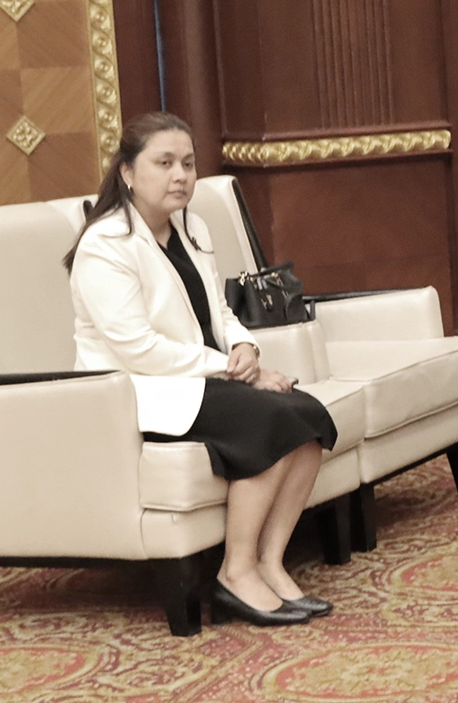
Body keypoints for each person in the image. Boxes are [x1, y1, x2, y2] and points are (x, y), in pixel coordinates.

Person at [64, 112, 338, 627]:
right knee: (267, 422)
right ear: (127, 172)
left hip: (194, 380)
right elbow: (138, 349)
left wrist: (244, 346)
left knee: (309, 416)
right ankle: (235, 573)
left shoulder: (192, 227)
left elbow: (219, 311)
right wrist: (232, 371)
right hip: (140, 392)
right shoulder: (105, 245)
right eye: (164, 163)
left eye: (188, 164)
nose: (181, 176)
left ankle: (269, 563)